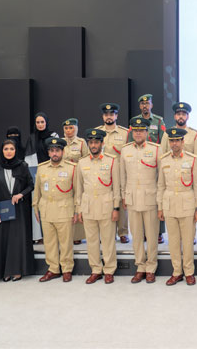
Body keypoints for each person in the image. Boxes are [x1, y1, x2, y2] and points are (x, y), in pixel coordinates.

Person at [73, 129, 120, 284]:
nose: (93, 145)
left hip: (106, 205)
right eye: (91, 142)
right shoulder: (82, 162)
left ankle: (109, 270)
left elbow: (116, 187)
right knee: (92, 241)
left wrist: (116, 208)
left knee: (108, 240)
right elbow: (79, 188)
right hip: (88, 206)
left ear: (102, 143)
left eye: (96, 142)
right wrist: (79, 209)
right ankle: (96, 270)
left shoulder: (111, 161)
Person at [119, 116, 161, 284]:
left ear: (146, 132)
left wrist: (160, 198)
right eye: (135, 131)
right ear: (132, 132)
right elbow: (122, 175)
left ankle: (151, 267)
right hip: (132, 197)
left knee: (151, 235)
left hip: (150, 197)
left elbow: (161, 177)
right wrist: (123, 195)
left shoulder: (156, 150)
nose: (138, 133)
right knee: (136, 235)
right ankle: (140, 267)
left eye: (141, 131)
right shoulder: (125, 150)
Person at [0, 139, 35, 282]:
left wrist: (21, 194)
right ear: (2, 151)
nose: (9, 152)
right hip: (0, 210)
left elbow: (30, 185)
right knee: (2, 240)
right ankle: (5, 271)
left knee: (16, 240)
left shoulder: (23, 166)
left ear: (16, 151)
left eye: (11, 149)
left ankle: (17, 270)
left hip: (18, 209)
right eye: (6, 149)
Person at [157, 128, 197, 286]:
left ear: (183, 142)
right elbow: (161, 185)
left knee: (188, 241)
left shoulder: (192, 160)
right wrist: (160, 207)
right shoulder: (164, 160)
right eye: (172, 141)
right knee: (173, 241)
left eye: (177, 140)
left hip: (187, 204)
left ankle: (189, 272)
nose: (174, 143)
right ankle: (176, 272)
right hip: (169, 204)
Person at [32, 137, 77, 282]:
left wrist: (77, 210)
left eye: (57, 150)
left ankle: (67, 269)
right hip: (46, 209)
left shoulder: (71, 168)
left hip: (64, 209)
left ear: (62, 152)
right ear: (48, 153)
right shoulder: (42, 168)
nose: (54, 153)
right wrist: (35, 207)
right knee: (49, 242)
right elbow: (37, 190)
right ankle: (53, 269)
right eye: (52, 151)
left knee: (66, 242)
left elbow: (77, 192)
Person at [96, 102, 130, 243]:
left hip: (120, 172)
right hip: (102, 172)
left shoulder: (125, 133)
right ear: (103, 116)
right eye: (106, 114)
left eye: (112, 114)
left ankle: (123, 232)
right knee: (103, 201)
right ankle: (105, 231)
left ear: (116, 116)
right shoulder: (97, 132)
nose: (109, 117)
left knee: (121, 200)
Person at [25, 112, 59, 244]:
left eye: (42, 122)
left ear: (46, 122)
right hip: (37, 174)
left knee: (53, 202)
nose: (40, 125)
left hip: (53, 174)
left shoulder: (53, 136)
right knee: (38, 204)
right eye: (38, 122)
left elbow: (58, 154)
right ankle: (39, 235)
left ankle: (55, 233)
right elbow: (28, 158)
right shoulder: (32, 138)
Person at [62, 118, 88, 245]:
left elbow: (86, 159)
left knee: (78, 203)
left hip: (78, 176)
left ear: (76, 129)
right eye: (66, 128)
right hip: (63, 177)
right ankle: (65, 233)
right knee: (65, 204)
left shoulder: (81, 143)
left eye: (71, 128)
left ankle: (77, 235)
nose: (68, 131)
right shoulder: (60, 142)